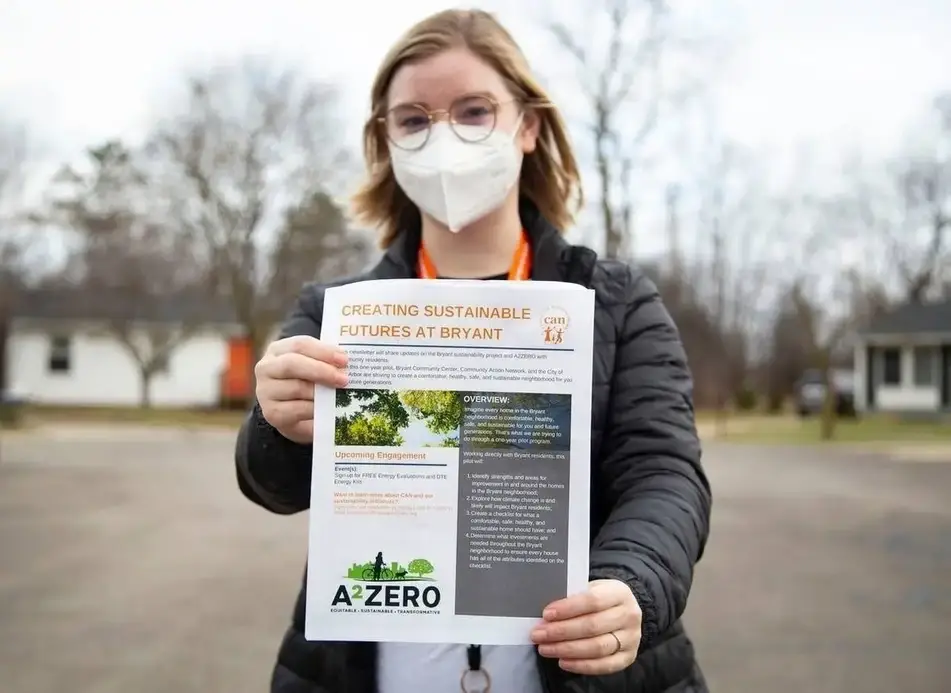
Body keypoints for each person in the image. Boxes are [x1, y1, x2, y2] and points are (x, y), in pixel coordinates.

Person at [235, 9, 711, 693]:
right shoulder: (338, 313)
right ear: (386, 141)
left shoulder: (613, 302)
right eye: (413, 119)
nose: (443, 139)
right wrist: (274, 425)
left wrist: (631, 584)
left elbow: (662, 472)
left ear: (527, 125)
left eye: (473, 110)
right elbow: (271, 485)